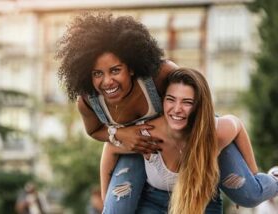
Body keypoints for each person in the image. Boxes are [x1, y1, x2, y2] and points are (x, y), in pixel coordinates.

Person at [56, 12, 278, 214]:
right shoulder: (88, 101)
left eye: (115, 70)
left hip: (192, 136)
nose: (107, 81)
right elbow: (95, 131)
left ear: (131, 66)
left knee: (249, 195)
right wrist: (122, 135)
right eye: (97, 73)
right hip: (142, 148)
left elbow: (193, 100)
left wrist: (251, 174)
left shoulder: (159, 74)